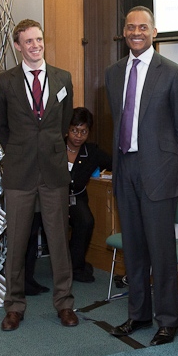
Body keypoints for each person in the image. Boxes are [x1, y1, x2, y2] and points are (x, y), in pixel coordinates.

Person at [105, 6, 178, 346]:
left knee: (161, 252)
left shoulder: (173, 72)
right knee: (135, 250)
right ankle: (138, 315)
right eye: (130, 27)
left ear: (154, 32)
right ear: (124, 32)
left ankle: (168, 321)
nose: (136, 32)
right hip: (125, 170)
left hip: (159, 174)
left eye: (143, 27)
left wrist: (166, 165)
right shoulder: (114, 73)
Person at [0, 18, 78, 331]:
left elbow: (64, 121)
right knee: (16, 242)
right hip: (19, 171)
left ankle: (65, 304)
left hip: (53, 171)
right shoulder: (5, 82)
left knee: (58, 242)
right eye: (28, 41)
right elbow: (0, 126)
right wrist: (20, 149)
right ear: (18, 46)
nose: (35, 45)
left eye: (39, 39)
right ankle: (14, 306)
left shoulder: (63, 78)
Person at [65, 107, 111, 283]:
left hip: (77, 198)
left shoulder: (91, 152)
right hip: (53, 199)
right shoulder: (56, 147)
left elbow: (114, 163)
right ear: (67, 129)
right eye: (74, 130)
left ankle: (75, 267)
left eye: (83, 132)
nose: (78, 136)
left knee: (86, 220)